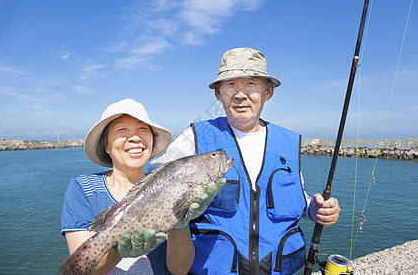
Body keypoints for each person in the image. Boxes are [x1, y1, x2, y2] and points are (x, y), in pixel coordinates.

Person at [144, 47, 341, 274]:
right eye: (230, 85)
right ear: (218, 94)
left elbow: (296, 196)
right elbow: (155, 180)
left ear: (267, 92)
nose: (240, 95)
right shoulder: (197, 136)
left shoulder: (288, 142)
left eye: (250, 85)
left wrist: (313, 209)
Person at [61, 98, 224, 275]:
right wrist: (119, 250)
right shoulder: (83, 188)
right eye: (122, 130)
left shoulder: (172, 185)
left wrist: (179, 223)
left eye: (143, 129)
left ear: (152, 141)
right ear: (105, 146)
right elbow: (83, 270)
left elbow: (180, 270)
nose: (135, 138)